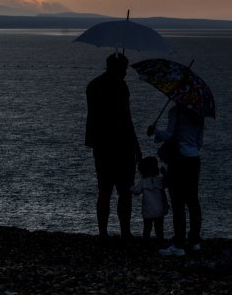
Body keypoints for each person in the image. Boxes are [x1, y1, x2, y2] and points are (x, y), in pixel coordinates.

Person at [85, 52, 142, 241]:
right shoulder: (121, 87)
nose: (126, 73)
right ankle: (125, 231)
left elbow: (93, 117)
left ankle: (102, 232)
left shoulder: (93, 86)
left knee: (104, 188)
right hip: (121, 145)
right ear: (118, 68)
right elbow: (126, 118)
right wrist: (136, 146)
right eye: (124, 69)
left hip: (101, 145)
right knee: (124, 189)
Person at [148, 103, 204, 256]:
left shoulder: (175, 111)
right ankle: (195, 241)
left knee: (178, 201)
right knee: (193, 201)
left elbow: (169, 135)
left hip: (178, 160)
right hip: (194, 160)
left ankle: (179, 242)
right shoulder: (199, 113)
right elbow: (199, 142)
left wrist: (155, 131)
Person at [132, 156, 168, 241]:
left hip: (148, 209)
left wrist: (130, 186)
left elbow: (136, 192)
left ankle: (146, 242)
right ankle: (160, 241)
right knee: (159, 228)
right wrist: (165, 174)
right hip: (159, 209)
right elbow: (167, 183)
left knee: (147, 228)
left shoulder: (142, 182)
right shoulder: (160, 180)